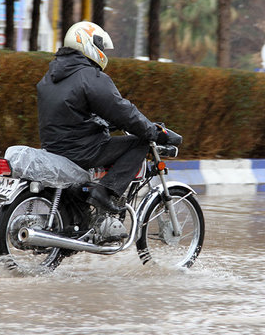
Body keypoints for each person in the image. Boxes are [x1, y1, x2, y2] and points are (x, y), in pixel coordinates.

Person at [37, 21, 169, 215]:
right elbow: (122, 111)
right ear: (87, 43)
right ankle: (106, 192)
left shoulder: (51, 76)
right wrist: (153, 132)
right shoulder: (89, 76)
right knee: (140, 142)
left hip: (55, 149)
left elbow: (71, 114)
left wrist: (103, 123)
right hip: (82, 151)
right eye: (100, 46)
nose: (102, 51)